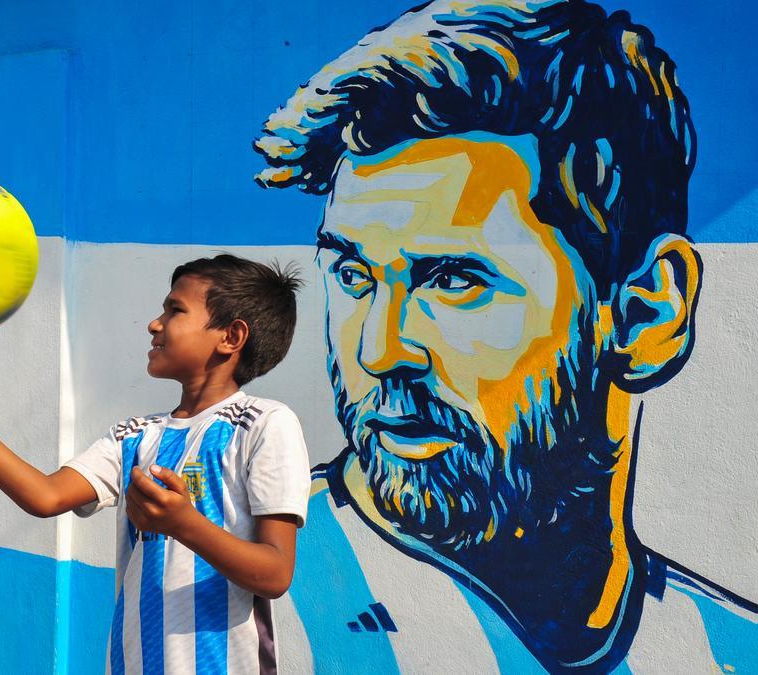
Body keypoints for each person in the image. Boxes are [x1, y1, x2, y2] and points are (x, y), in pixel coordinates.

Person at [253, 0, 758, 672]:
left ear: (646, 315)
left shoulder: (727, 651)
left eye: (455, 281)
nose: (381, 349)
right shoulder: (240, 609)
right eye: (355, 275)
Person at [0, 253, 311, 672]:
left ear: (231, 337)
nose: (155, 323)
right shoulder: (135, 435)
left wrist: (184, 524)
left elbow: (274, 574)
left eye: (175, 310)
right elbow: (44, 495)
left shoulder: (264, 424)